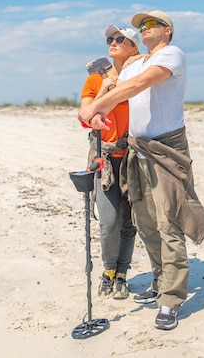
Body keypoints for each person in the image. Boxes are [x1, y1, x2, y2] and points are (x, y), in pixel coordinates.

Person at [78, 10, 204, 330]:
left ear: (167, 32)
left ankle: (171, 299)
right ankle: (160, 281)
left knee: (169, 223)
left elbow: (139, 84)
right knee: (146, 223)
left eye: (152, 25)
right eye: (141, 26)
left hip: (166, 148)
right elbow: (114, 84)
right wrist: (95, 106)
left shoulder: (171, 55)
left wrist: (99, 105)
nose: (145, 28)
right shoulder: (135, 62)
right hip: (137, 149)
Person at [79, 25, 141, 299]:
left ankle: (123, 274)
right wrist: (104, 89)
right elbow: (83, 115)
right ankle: (108, 270)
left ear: (134, 47)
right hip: (104, 160)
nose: (112, 42)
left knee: (130, 223)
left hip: (134, 158)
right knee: (109, 222)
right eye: (109, 39)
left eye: (120, 39)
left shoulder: (140, 78)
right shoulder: (95, 80)